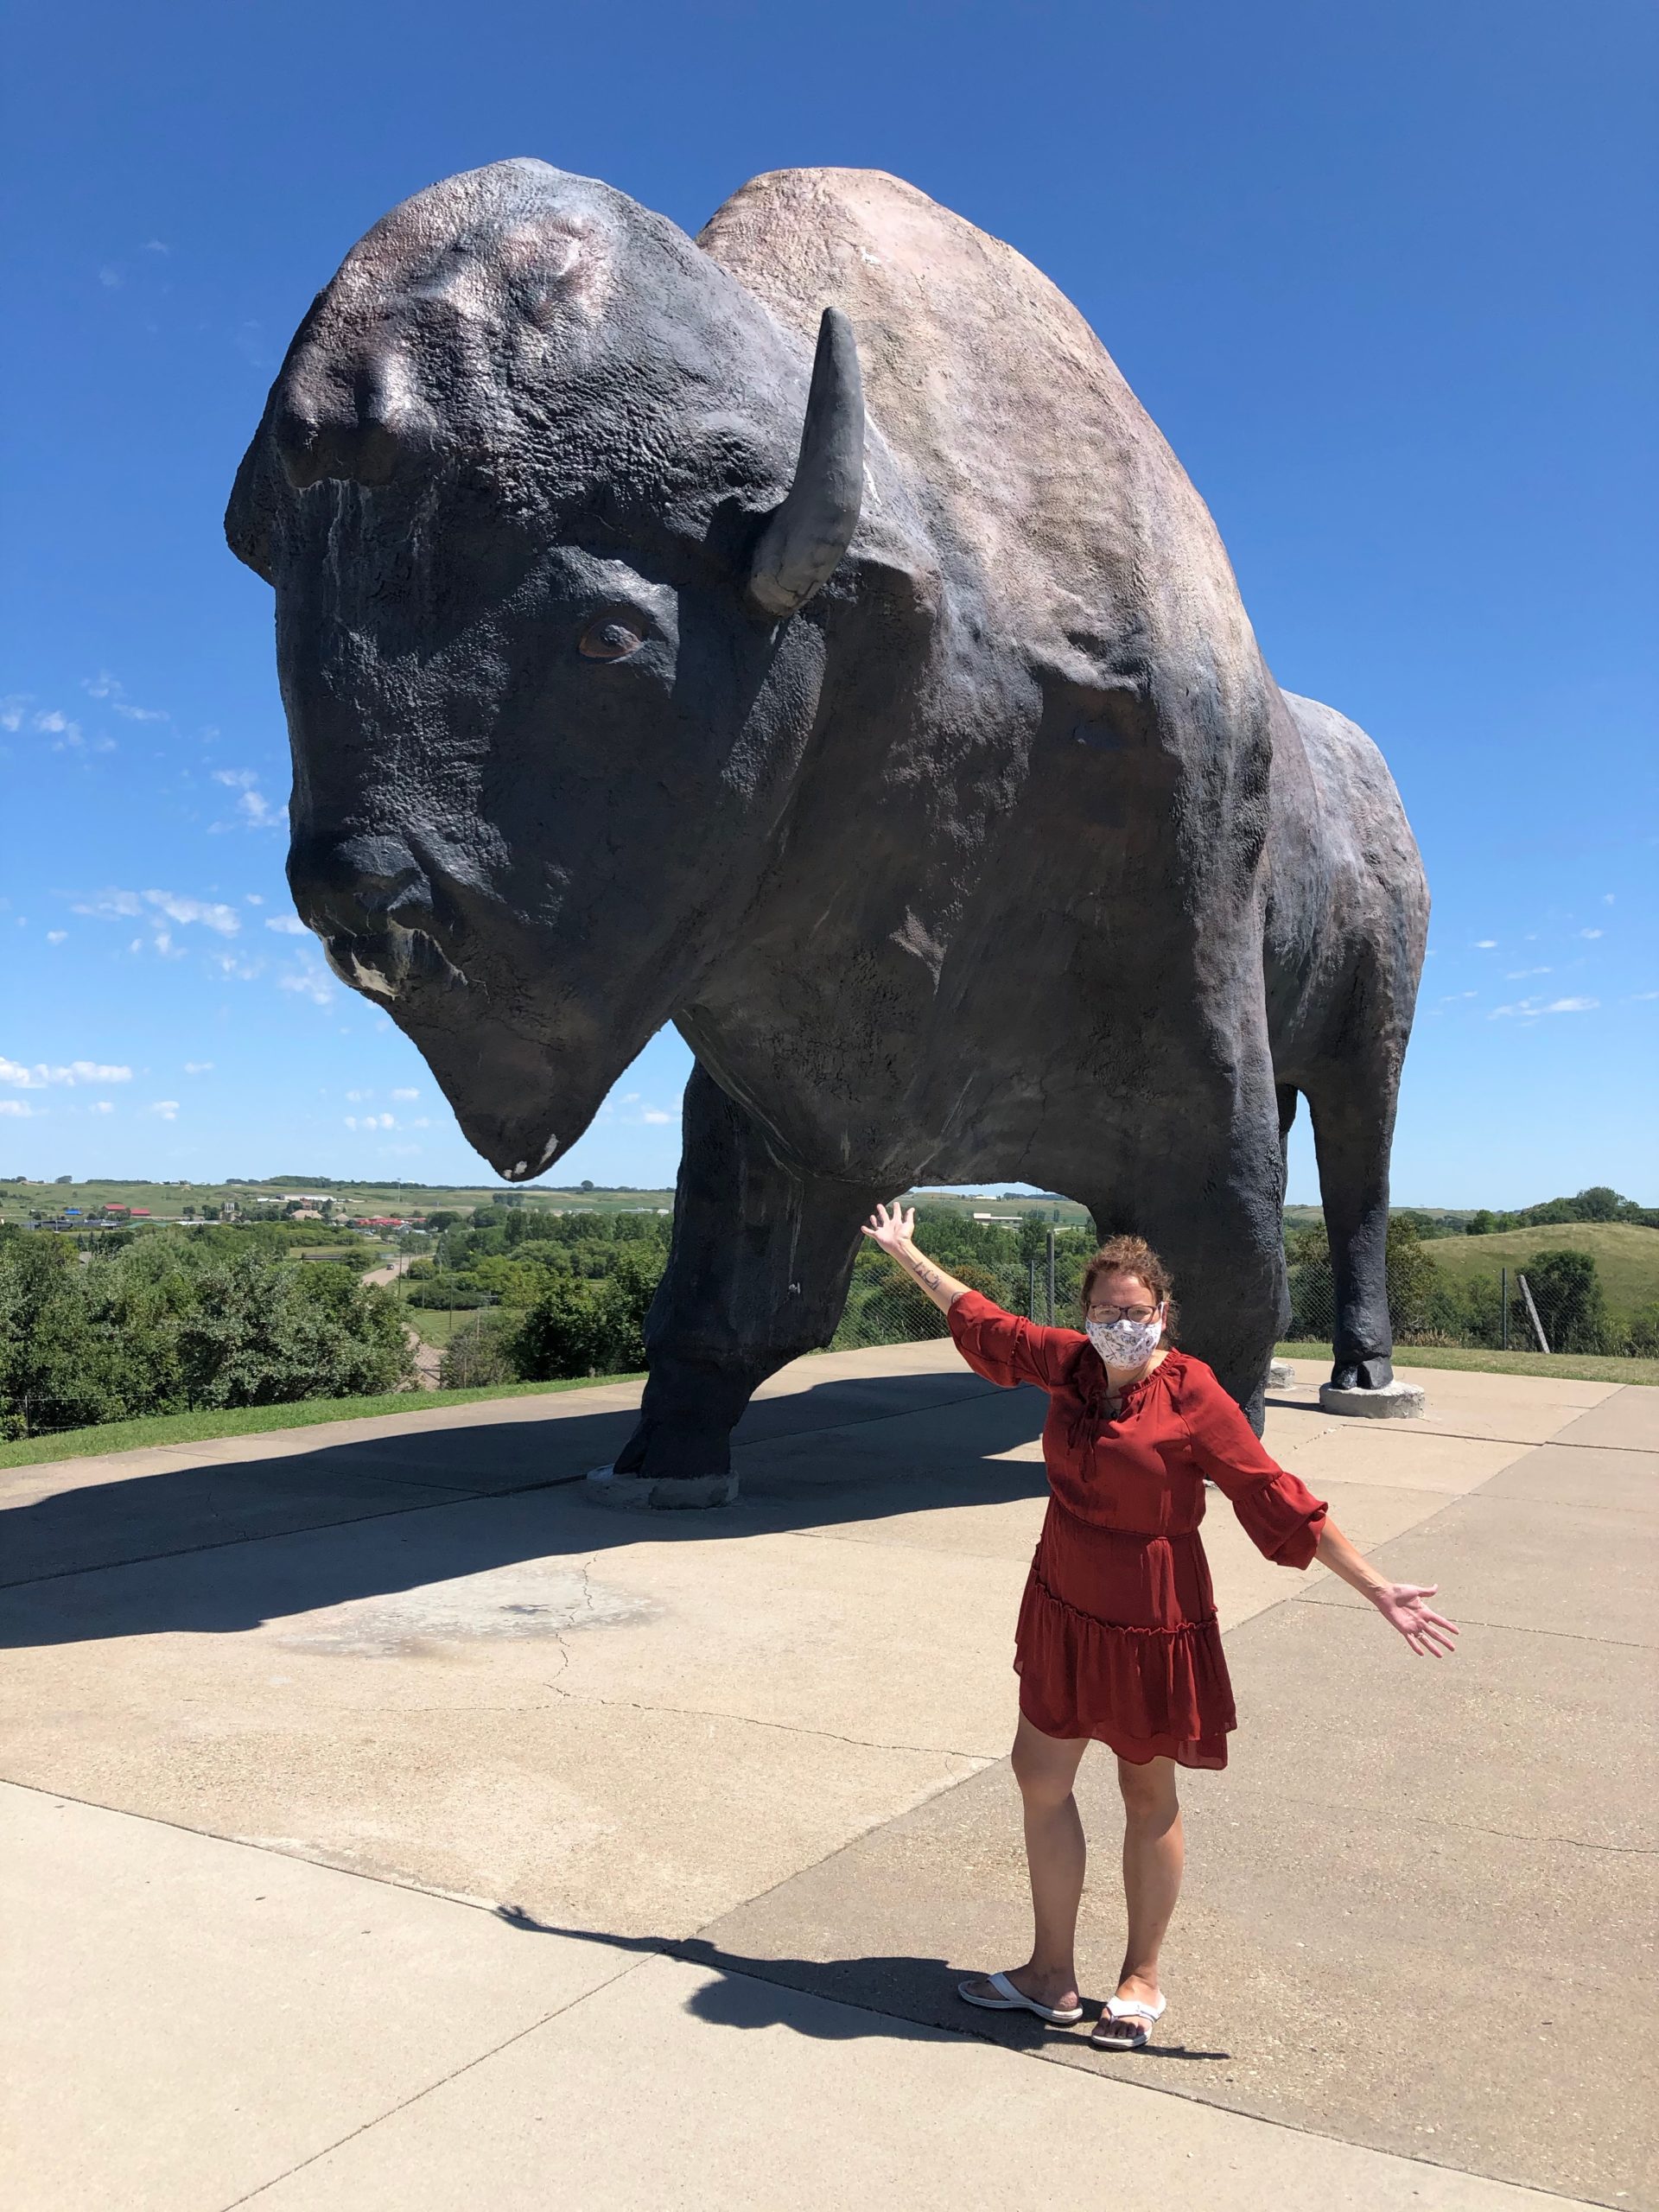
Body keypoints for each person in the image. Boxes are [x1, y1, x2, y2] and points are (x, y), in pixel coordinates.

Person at [860, 1202, 1458, 2050]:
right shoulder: (1070, 1367)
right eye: (1105, 1311)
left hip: (1152, 1612)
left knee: (1146, 1792)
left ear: (1162, 1313)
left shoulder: (1193, 1390)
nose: (1119, 1324)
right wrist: (906, 1249)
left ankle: (1140, 1978)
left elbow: (1269, 1491)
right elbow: (982, 1321)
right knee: (1041, 1774)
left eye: (1135, 1312)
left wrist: (1376, 1586)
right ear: (1088, 1314)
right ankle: (1049, 1975)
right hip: (1065, 1598)